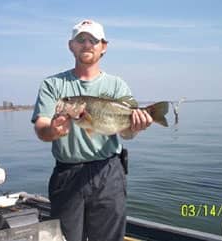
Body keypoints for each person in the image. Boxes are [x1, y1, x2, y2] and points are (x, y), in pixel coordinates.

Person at [31, 19, 153, 241]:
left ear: (103, 46)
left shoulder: (117, 86)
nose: (87, 44)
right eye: (81, 40)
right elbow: (41, 128)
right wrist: (53, 130)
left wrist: (137, 125)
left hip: (109, 173)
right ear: (71, 45)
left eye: (93, 40)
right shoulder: (52, 84)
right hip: (67, 175)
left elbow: (126, 134)